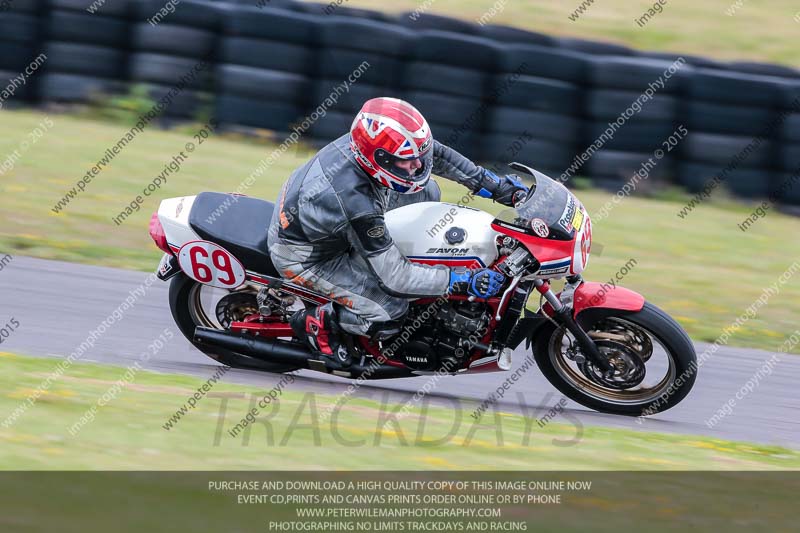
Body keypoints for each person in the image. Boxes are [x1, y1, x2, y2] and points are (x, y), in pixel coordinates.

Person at [267, 97, 527, 366]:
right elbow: (396, 279)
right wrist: (462, 279)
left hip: (334, 222)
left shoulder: (375, 145)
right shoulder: (356, 201)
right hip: (308, 256)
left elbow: (436, 155)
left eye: (418, 157)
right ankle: (316, 323)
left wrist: (495, 186)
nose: (417, 165)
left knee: (428, 191)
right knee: (390, 310)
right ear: (379, 159)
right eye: (407, 161)